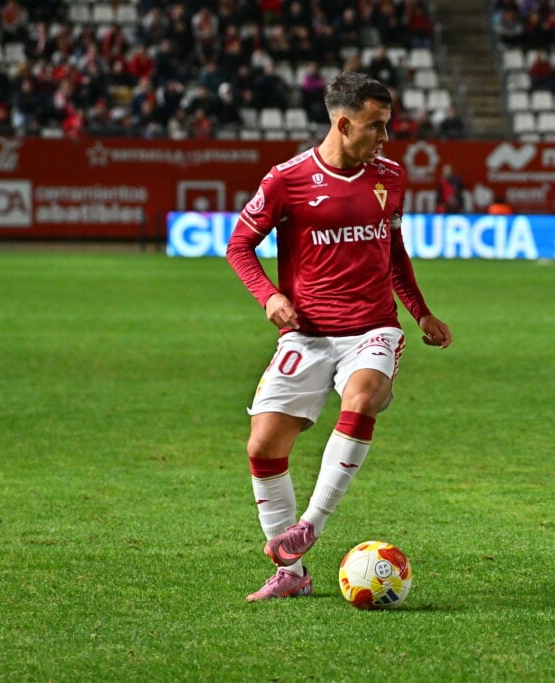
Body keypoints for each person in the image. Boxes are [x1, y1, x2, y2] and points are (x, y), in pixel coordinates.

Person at [225, 71, 453, 602]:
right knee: (263, 445)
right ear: (344, 124)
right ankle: (292, 574)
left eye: (388, 125)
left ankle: (311, 523)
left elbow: (393, 252)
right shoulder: (286, 180)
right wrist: (269, 296)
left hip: (372, 327)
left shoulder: (390, 177)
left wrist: (420, 313)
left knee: (364, 394)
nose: (385, 137)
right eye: (376, 126)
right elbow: (239, 246)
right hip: (306, 334)